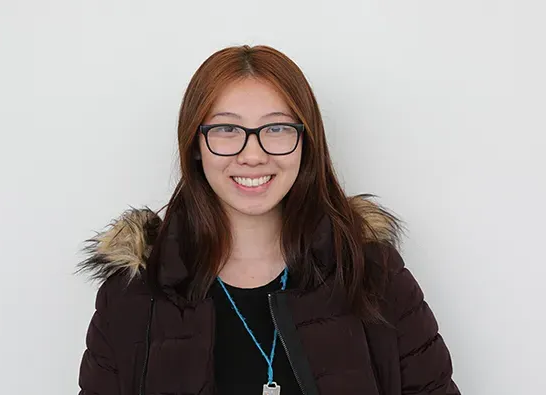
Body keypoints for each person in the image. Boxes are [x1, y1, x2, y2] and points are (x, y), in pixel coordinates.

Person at [77, 44, 460, 395]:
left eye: (276, 128)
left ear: (306, 142)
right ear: (195, 144)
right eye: (227, 129)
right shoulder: (131, 293)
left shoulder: (373, 273)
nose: (253, 154)